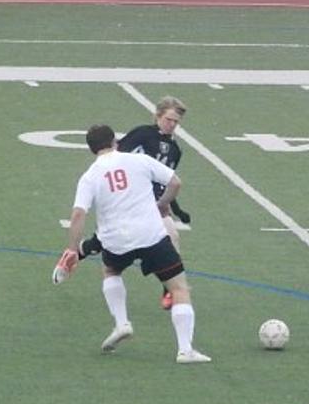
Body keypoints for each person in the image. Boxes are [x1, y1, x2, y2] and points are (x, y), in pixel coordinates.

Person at [52, 124, 211, 364]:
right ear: (115, 141)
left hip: (115, 241)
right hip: (151, 235)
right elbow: (175, 182)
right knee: (179, 288)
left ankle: (121, 323)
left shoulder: (90, 176)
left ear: (91, 149)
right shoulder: (139, 161)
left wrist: (72, 249)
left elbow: (77, 215)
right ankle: (185, 349)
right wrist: (161, 204)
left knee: (111, 270)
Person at [70, 96, 193, 311]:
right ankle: (81, 249)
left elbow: (169, 182)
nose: (172, 125)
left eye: (176, 121)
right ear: (158, 116)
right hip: (132, 196)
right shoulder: (143, 134)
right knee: (111, 236)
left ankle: (168, 289)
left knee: (172, 236)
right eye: (169, 119)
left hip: (155, 203)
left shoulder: (175, 150)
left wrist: (176, 209)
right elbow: (117, 157)